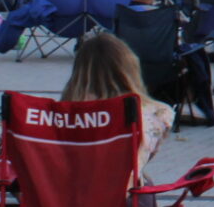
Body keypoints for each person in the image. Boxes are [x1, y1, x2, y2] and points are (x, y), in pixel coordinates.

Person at [63, 30, 174, 173]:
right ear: (130, 68)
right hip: (123, 190)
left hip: (66, 190)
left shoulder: (60, 115)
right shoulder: (159, 113)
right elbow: (143, 159)